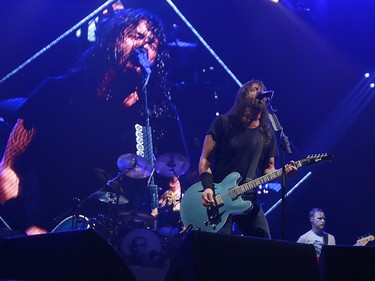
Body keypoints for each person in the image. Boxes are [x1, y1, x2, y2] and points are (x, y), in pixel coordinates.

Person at [0, 8, 172, 235]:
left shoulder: (157, 112)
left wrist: (169, 202)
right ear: (112, 41)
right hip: (43, 228)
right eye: (137, 36)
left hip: (112, 240)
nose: (144, 46)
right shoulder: (58, 92)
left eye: (152, 42)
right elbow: (9, 165)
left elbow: (175, 175)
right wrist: (25, 227)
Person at [199, 79, 297, 238]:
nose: (260, 90)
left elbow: (268, 170)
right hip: (219, 197)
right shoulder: (223, 123)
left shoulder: (267, 134)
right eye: (255, 88)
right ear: (244, 96)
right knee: (218, 249)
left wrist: (283, 174)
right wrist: (207, 187)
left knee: (265, 245)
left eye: (262, 89)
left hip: (249, 198)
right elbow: (205, 159)